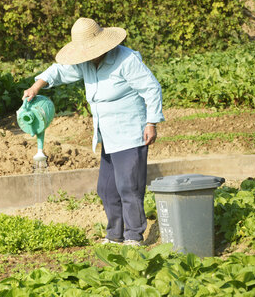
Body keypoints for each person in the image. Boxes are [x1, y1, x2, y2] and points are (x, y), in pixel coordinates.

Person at [22, 17, 164, 246]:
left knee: (129, 187)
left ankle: (133, 236)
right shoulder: (87, 62)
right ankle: (115, 235)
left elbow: (151, 88)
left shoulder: (125, 60)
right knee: (107, 189)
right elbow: (59, 71)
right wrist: (37, 85)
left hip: (130, 132)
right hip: (107, 135)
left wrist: (152, 122)